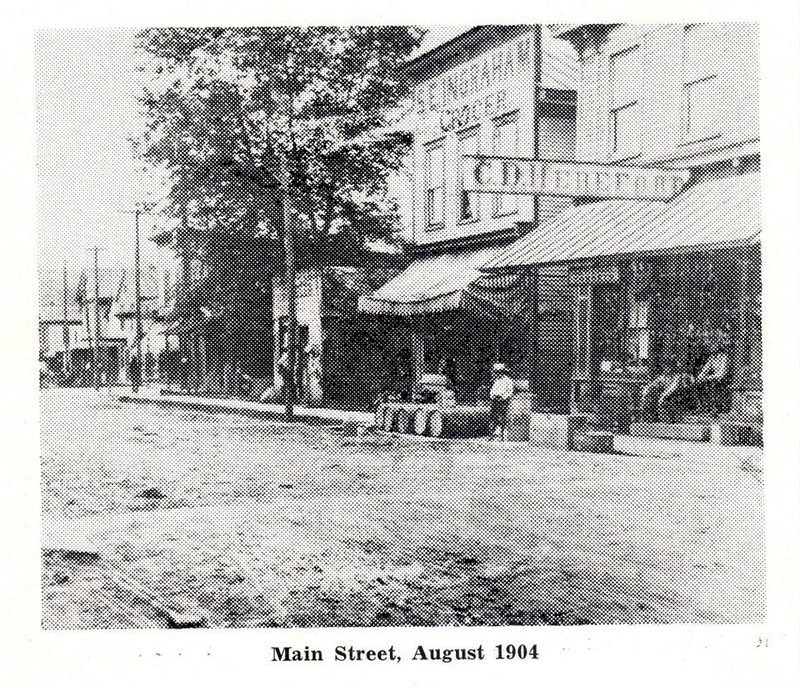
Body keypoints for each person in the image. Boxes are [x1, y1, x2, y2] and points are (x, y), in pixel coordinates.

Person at [489, 362, 514, 440]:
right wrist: (492, 396)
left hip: (503, 401)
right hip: (495, 400)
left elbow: (510, 391)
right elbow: (492, 390)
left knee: (503, 417)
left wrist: (503, 397)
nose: (497, 373)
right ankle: (492, 435)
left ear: (503, 372)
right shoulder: (496, 380)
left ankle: (503, 435)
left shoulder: (508, 380)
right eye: (496, 372)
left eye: (499, 372)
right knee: (493, 417)